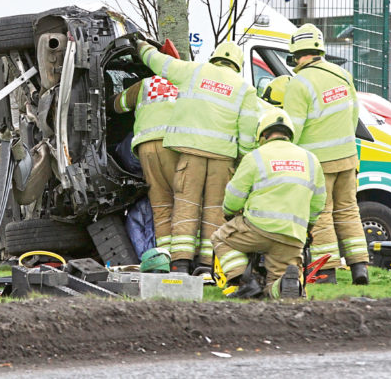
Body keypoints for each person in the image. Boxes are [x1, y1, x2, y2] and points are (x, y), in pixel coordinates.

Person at [138, 40, 261, 274]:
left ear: (214, 57)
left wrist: (142, 47)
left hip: (190, 154)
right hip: (223, 159)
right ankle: (206, 265)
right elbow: (247, 133)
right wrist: (241, 160)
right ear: (238, 64)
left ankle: (180, 263)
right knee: (215, 209)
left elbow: (161, 63)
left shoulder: (194, 71)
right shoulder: (245, 89)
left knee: (186, 206)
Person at [283, 23, 368, 285]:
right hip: (348, 157)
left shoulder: (299, 83)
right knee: (349, 211)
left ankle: (326, 272)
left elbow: (291, 130)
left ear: (296, 54)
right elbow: (354, 117)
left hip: (318, 164)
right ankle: (360, 268)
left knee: (322, 216)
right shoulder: (343, 75)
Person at [212, 110, 326, 299]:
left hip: (257, 229)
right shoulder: (311, 160)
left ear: (263, 134)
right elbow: (318, 202)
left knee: (220, 238)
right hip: (292, 235)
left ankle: (245, 282)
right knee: (278, 280)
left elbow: (234, 196)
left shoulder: (255, 157)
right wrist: (307, 228)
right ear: (289, 134)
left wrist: (230, 212)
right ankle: (284, 286)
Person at [112, 74, 179, 253]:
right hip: (179, 148)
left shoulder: (146, 84)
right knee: (182, 203)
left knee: (160, 206)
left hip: (146, 150)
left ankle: (161, 256)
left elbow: (117, 105)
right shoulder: (188, 83)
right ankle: (182, 257)